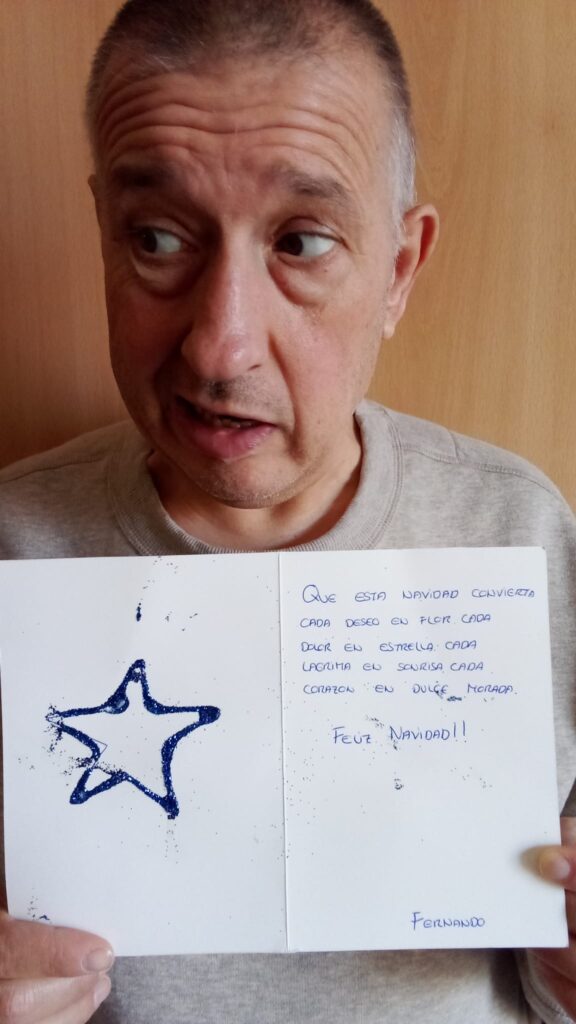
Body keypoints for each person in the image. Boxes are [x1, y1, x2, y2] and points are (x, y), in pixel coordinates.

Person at [0, 1, 575, 1021]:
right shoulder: (12, 547)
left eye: (303, 243)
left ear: (398, 270)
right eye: (158, 238)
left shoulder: (520, 534)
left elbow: (544, 971)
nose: (220, 347)